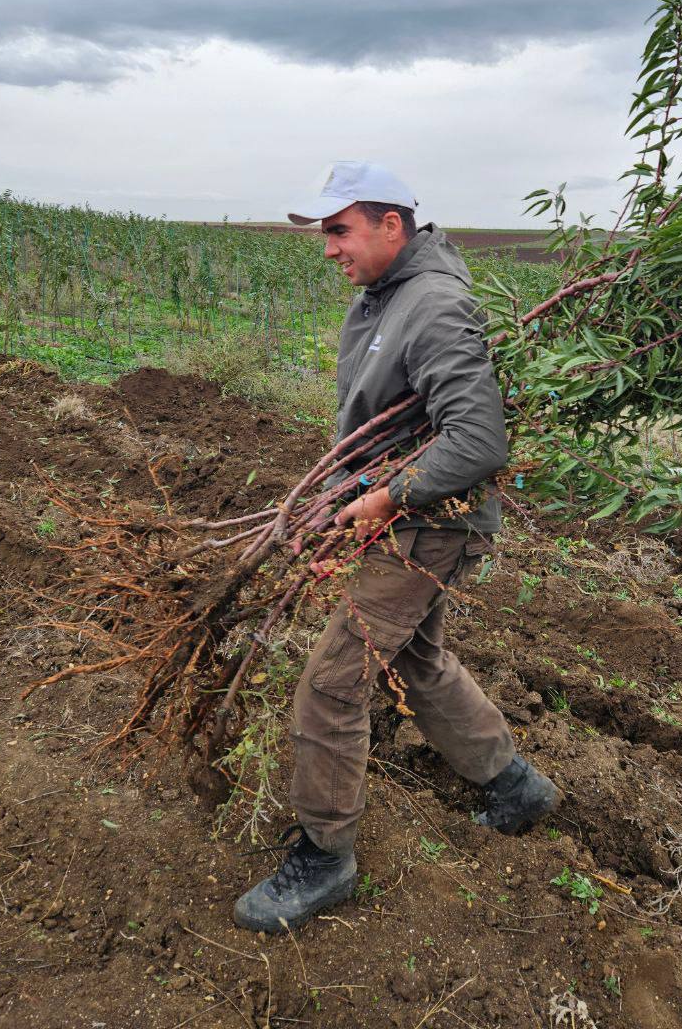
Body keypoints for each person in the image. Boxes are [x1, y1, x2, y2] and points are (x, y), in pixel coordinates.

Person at [233, 161, 561, 933]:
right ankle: (513, 785)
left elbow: (478, 441)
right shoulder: (389, 296)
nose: (327, 249)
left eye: (339, 230)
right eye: (323, 233)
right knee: (412, 660)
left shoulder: (435, 306)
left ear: (392, 225)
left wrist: (384, 497)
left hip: (426, 527)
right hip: (401, 517)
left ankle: (324, 857)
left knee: (333, 685)